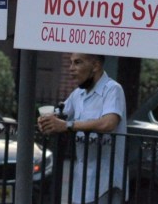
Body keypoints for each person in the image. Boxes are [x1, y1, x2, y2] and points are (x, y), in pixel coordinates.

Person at [37, 53, 127, 204]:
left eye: (78, 62)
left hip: (107, 181)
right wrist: (47, 121)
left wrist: (68, 125)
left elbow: (109, 123)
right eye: (71, 62)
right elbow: (60, 114)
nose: (71, 68)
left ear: (95, 66)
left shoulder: (113, 89)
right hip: (82, 182)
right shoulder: (78, 94)